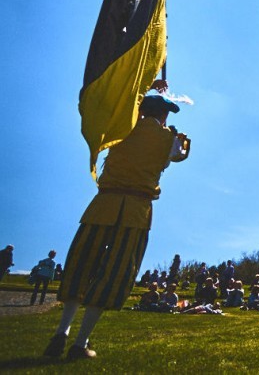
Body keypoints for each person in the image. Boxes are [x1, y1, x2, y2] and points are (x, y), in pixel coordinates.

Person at [42, 87, 190, 361]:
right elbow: (179, 155)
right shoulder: (170, 138)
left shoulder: (120, 128)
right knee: (114, 273)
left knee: (81, 266)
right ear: (163, 114)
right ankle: (80, 343)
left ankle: (61, 332)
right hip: (135, 212)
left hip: (103, 205)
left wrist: (149, 88)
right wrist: (170, 130)